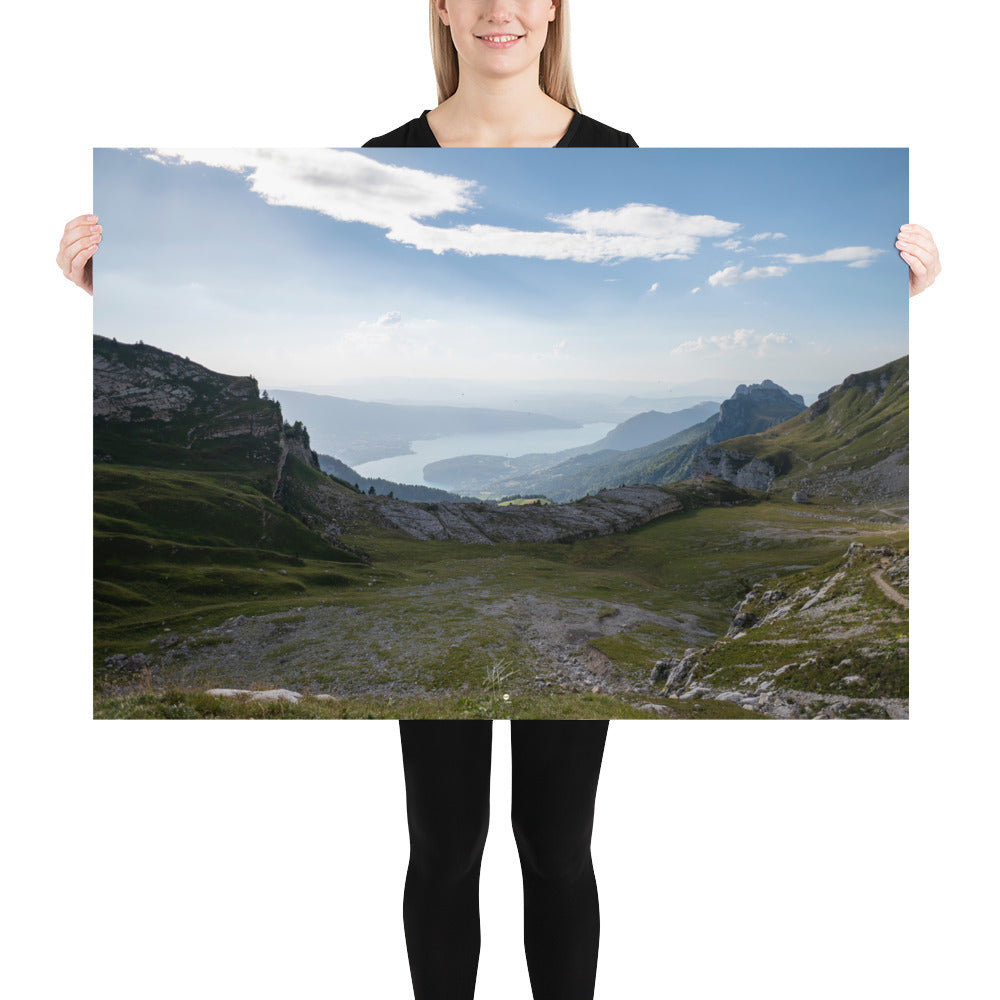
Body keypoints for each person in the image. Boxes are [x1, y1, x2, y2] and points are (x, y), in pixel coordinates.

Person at [67, 4, 936, 998]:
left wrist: (894, 303)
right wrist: (110, 286)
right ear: (436, 6)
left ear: (557, 8)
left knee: (557, 846)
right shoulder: (384, 156)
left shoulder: (616, 155)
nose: (496, 9)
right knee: (445, 845)